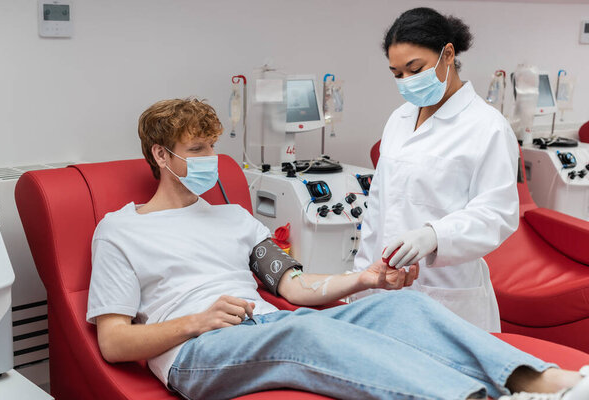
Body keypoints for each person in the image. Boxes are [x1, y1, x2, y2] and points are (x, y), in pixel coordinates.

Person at [86, 98, 588, 400]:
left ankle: (543, 381)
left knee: (401, 305)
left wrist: (366, 280)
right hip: (195, 352)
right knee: (304, 334)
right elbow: (113, 342)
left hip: (266, 325)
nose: (210, 161)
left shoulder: (234, 219)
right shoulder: (121, 231)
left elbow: (295, 286)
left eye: (212, 148)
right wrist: (195, 321)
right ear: (160, 154)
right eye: (197, 151)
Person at [354, 7, 519, 332]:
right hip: (383, 287)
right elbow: (377, 209)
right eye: (397, 74)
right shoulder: (399, 119)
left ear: (447, 54)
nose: (406, 82)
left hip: (447, 293)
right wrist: (359, 279)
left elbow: (496, 213)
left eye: (415, 69)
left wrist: (434, 235)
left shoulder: (488, 127)